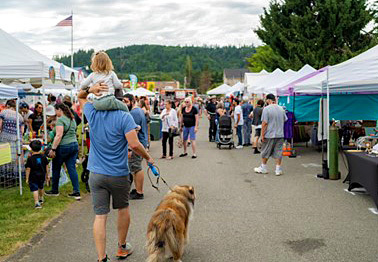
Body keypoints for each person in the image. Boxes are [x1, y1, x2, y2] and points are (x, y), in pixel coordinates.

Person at [78, 82, 154, 262]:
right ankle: (121, 248)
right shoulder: (124, 116)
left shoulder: (93, 113)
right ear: (120, 99)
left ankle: (101, 257)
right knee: (122, 209)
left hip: (96, 173)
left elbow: (80, 96)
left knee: (100, 215)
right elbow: (134, 144)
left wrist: (90, 90)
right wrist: (148, 157)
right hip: (118, 173)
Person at [45, 103, 81, 199]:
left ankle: (54, 190)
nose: (55, 113)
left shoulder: (60, 120)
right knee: (71, 168)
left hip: (64, 146)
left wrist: (53, 149)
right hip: (74, 145)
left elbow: (59, 135)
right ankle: (76, 191)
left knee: (56, 168)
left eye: (55, 111)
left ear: (59, 110)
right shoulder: (72, 119)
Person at [254, 94, 287, 176]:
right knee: (278, 151)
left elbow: (264, 123)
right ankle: (278, 169)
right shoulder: (281, 109)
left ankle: (263, 167)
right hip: (280, 134)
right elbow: (285, 120)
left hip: (269, 134)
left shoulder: (266, 109)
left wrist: (262, 135)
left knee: (265, 151)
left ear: (268, 100)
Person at [123, 94, 148, 200]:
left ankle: (139, 192)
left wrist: (129, 148)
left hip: (137, 144)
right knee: (134, 167)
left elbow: (135, 131)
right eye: (123, 101)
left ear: (133, 101)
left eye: (126, 101)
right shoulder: (139, 111)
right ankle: (137, 189)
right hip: (141, 142)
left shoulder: (134, 113)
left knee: (136, 167)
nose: (124, 103)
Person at [0, 100, 24, 179]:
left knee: (4, 156)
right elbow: (22, 130)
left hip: (5, 137)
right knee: (14, 157)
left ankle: (4, 176)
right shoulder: (19, 115)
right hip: (17, 138)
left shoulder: (3, 112)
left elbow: (0, 125)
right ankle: (15, 176)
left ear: (7, 105)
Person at [25, 140, 49, 209]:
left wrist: (27, 178)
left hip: (33, 176)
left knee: (35, 189)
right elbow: (47, 166)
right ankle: (41, 198)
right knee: (41, 187)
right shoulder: (44, 157)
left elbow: (28, 169)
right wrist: (47, 175)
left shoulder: (30, 159)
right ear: (40, 148)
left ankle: (36, 203)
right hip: (42, 175)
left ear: (31, 149)